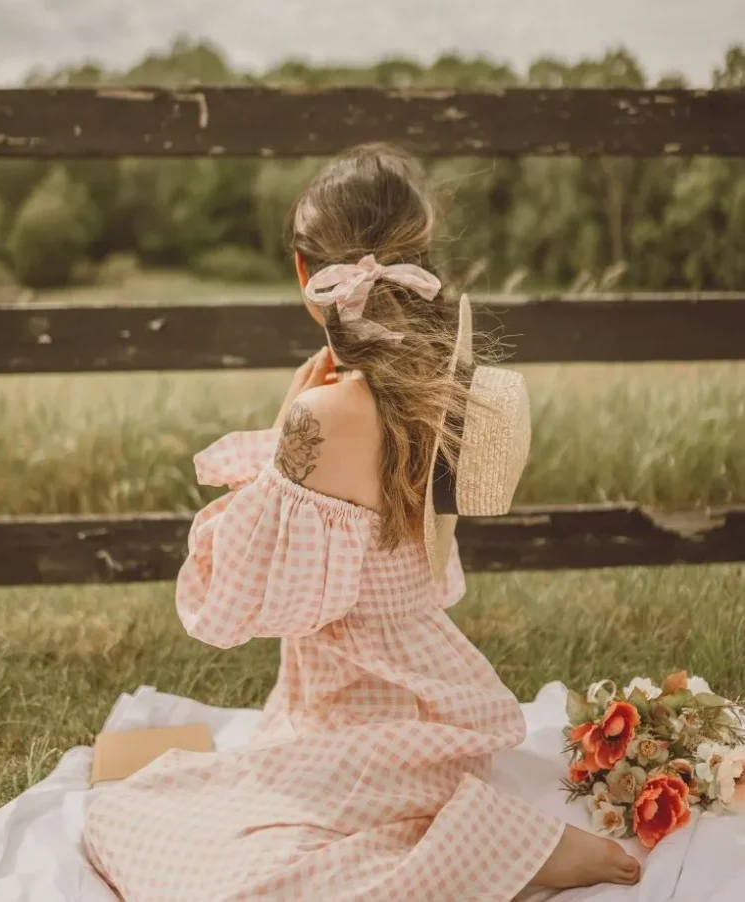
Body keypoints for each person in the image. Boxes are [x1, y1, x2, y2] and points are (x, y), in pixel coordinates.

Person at [83, 144, 640, 900]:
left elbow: (230, 607)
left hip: (359, 716)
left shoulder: (325, 412)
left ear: (304, 274)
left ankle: (507, 849)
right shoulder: (450, 376)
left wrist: (286, 429)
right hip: (437, 702)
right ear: (420, 264)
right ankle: (479, 833)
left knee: (136, 826)